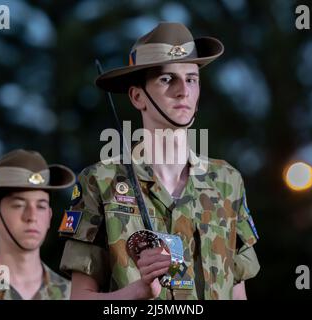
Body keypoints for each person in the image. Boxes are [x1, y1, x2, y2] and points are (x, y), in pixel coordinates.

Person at [59, 22, 260, 300]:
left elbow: (238, 294)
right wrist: (134, 294)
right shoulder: (101, 182)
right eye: (167, 79)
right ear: (137, 96)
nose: (183, 91)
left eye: (191, 79)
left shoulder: (227, 181)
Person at [0, 149, 75, 300]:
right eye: (18, 205)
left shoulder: (74, 295)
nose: (32, 217)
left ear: (49, 216)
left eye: (41, 206)